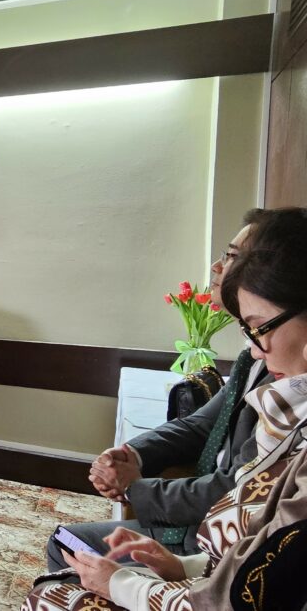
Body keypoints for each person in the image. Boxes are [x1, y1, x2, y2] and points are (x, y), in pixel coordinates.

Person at [23, 207, 307, 611]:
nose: (219, 267)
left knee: (58, 588)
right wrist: (131, 455)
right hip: (207, 556)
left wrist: (133, 496)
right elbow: (201, 426)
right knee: (64, 569)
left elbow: (239, 577)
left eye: (234, 256)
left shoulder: (290, 400)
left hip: (202, 542)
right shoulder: (263, 361)